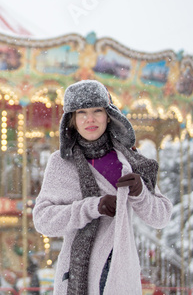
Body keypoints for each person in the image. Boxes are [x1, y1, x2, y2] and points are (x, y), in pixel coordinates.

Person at [32, 80, 172, 295]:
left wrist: (140, 193)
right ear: (72, 120)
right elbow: (44, 221)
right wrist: (92, 207)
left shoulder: (129, 160)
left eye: (97, 110)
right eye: (81, 112)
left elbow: (160, 217)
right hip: (80, 274)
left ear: (108, 115)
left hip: (121, 271)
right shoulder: (62, 163)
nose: (90, 119)